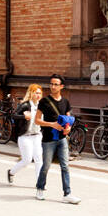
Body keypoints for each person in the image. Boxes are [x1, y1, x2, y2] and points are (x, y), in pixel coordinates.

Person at [35, 75, 80, 204]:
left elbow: (68, 120)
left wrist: (68, 128)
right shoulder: (44, 101)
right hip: (48, 139)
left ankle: (67, 194)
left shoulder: (65, 102)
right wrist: (52, 124)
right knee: (46, 166)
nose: (52, 86)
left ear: (61, 86)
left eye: (55, 84)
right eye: (51, 84)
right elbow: (37, 120)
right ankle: (40, 188)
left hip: (62, 139)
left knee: (65, 166)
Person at [8, 83, 44, 185]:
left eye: (40, 93)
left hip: (37, 135)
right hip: (25, 136)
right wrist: (24, 117)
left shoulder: (41, 106)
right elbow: (13, 115)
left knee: (38, 159)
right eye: (36, 93)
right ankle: (11, 172)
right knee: (27, 160)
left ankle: (39, 183)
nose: (38, 95)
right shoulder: (25, 105)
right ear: (31, 93)